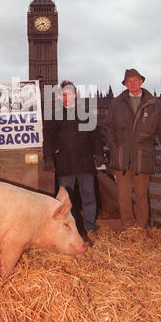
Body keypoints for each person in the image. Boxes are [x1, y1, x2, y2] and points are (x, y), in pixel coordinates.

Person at [105, 68, 161, 230]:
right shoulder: (117, 103)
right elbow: (108, 127)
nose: (132, 83)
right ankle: (129, 228)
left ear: (141, 81)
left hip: (142, 156)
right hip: (122, 156)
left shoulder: (154, 104)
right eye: (129, 81)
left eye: (135, 80)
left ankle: (142, 228)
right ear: (125, 84)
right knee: (123, 197)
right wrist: (114, 147)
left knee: (141, 196)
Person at [43, 80, 105, 242]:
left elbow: (96, 137)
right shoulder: (54, 117)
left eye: (69, 94)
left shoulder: (86, 114)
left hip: (85, 163)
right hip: (65, 163)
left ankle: (90, 229)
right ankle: (70, 230)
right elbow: (48, 139)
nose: (66, 97)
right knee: (66, 201)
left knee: (89, 197)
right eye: (63, 95)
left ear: (75, 95)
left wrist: (99, 154)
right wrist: (48, 158)